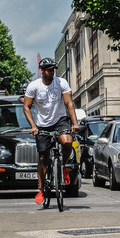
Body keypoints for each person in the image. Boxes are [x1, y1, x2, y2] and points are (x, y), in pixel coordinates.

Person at [23, 57, 79, 204]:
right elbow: (26, 107)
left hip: (60, 120)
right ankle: (41, 189)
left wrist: (75, 123)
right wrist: (33, 126)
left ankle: (63, 167)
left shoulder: (62, 83)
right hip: (42, 124)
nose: (52, 72)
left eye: (53, 69)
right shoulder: (33, 86)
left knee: (67, 142)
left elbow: (69, 103)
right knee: (43, 157)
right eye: (49, 69)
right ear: (42, 71)